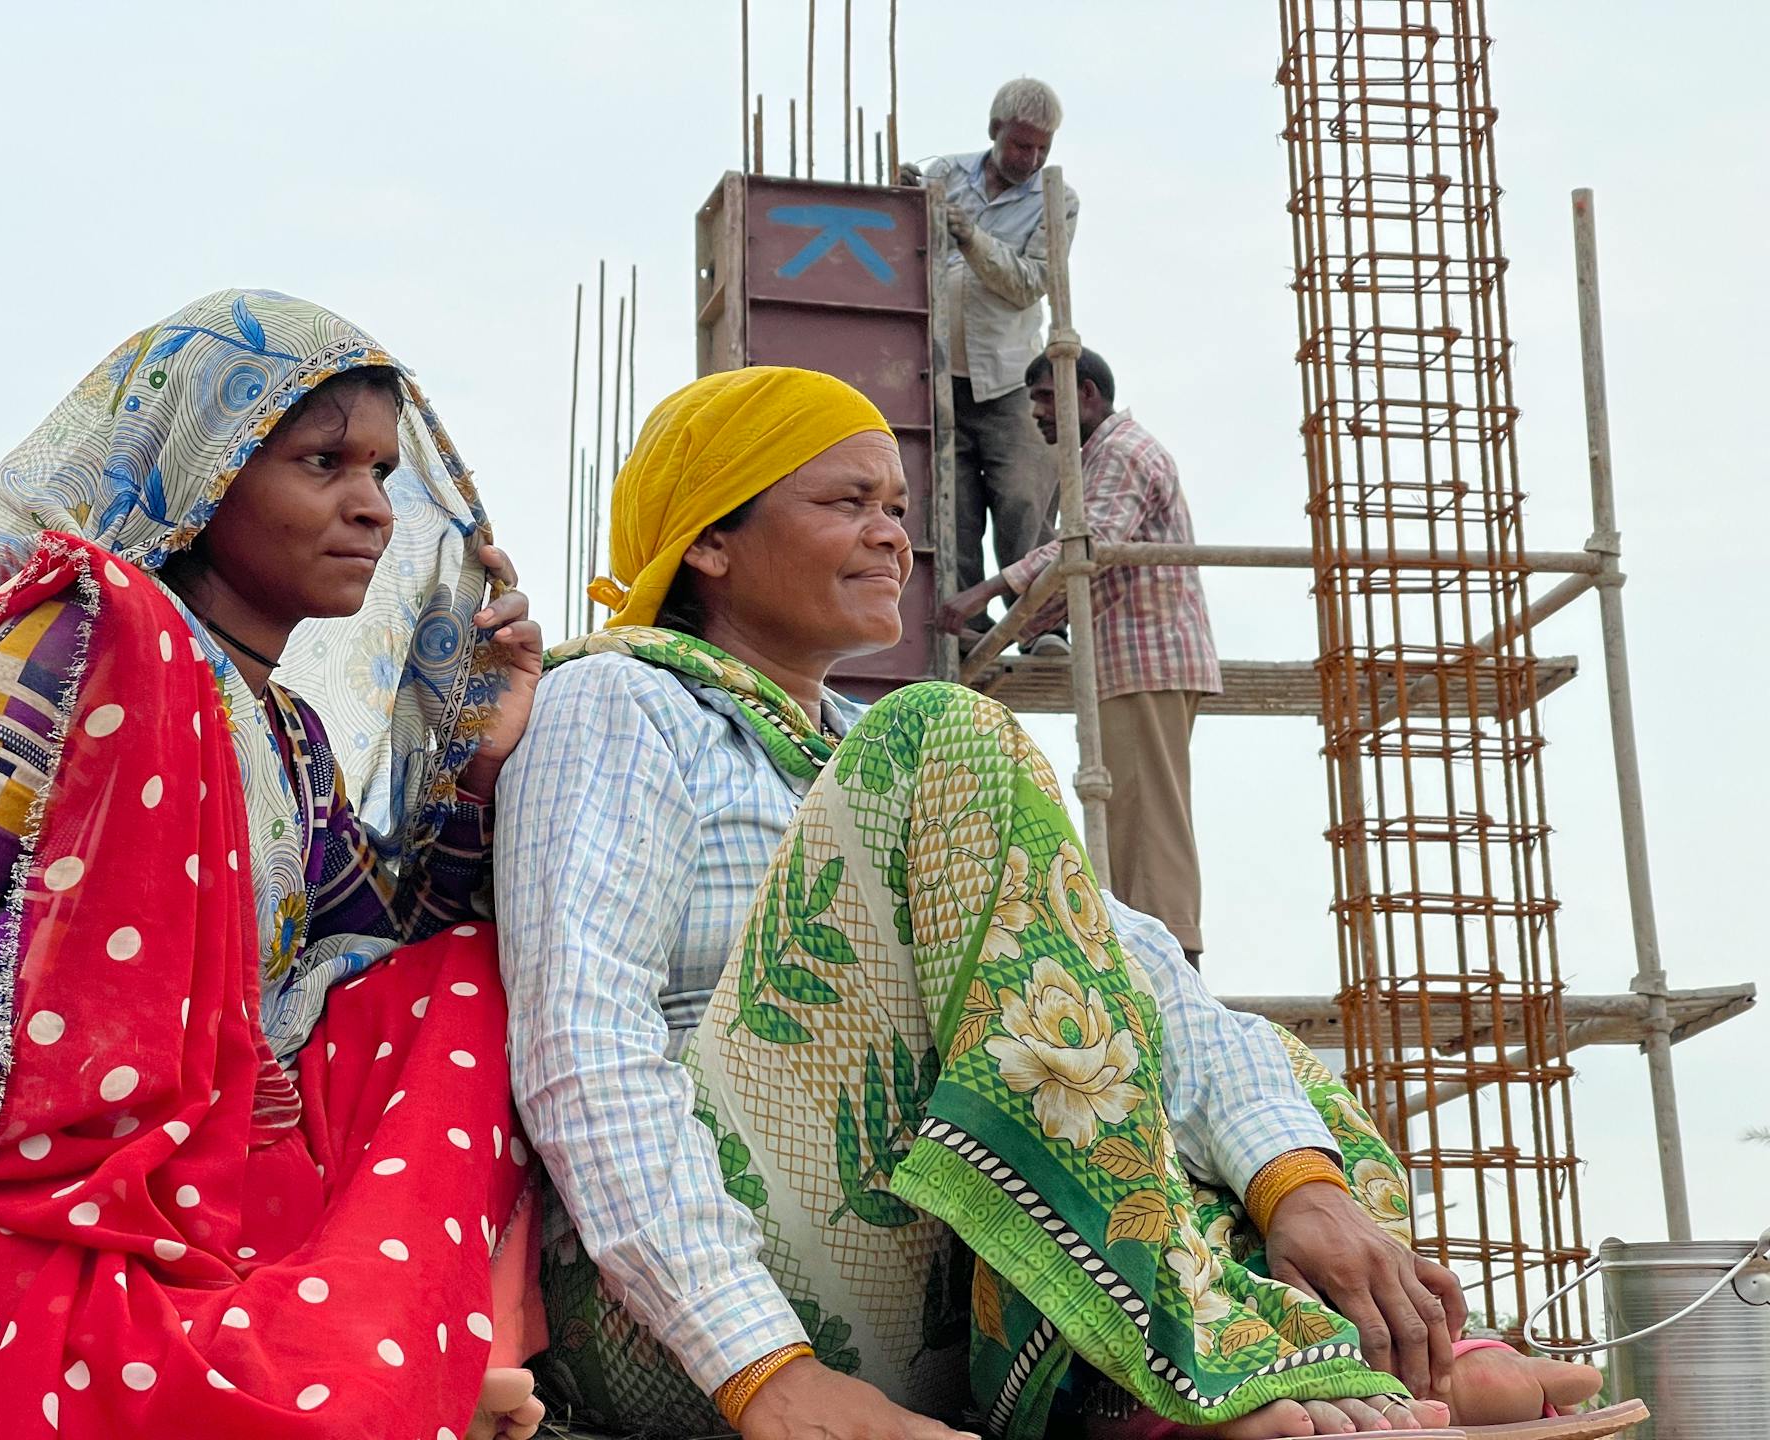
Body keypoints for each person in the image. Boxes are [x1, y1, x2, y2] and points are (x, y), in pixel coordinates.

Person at [495, 367, 1602, 1440]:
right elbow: (582, 1041)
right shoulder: (619, 701)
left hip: (923, 1283)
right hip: (676, 1319)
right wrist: (760, 1370)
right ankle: (1178, 1372)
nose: (895, 534)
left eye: (896, 507)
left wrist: (1294, 1183)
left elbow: (1146, 976)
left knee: (1260, 1076)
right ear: (711, 538)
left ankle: (1249, 1356)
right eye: (849, 502)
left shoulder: (872, 760)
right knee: (947, 733)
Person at [0, 290, 548, 1440]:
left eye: (381, 471)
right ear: (205, 475)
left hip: (226, 1172)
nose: (371, 509)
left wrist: (474, 769)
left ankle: (356, 1345)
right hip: (55, 1181)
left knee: (463, 978)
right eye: (324, 462)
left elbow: (373, 955)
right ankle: (358, 1364)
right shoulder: (82, 637)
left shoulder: (289, 739)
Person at [940, 348, 1218, 965]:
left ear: (1084, 394)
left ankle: (1173, 967)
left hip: (1148, 658)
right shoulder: (1100, 458)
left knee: (1148, 826)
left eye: (1043, 398)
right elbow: (1077, 574)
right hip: (1134, 660)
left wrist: (989, 592)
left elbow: (1086, 544)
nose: (1036, 414)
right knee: (1126, 821)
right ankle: (1151, 961)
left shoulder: (1120, 453)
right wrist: (1013, 625)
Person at [904, 77, 1077, 650]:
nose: (1031, 160)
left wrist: (970, 237)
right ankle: (967, 631)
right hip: (936, 374)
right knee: (949, 512)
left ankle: (1040, 628)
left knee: (1024, 504)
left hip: (1008, 380)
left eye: (1041, 150)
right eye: (1021, 146)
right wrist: (900, 200)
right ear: (994, 132)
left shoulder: (1056, 199)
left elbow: (1031, 284)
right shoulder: (944, 175)